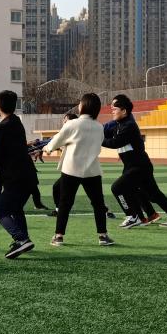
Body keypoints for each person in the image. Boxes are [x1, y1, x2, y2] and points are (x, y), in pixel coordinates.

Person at [43, 94, 116, 247]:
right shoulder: (99, 127)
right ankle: (103, 236)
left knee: (65, 203)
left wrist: (46, 148)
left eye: (80, 103)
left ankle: (59, 236)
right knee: (98, 203)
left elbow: (55, 142)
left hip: (71, 169)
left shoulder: (72, 124)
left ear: (83, 106)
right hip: (92, 169)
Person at [103, 94, 167, 229]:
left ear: (124, 111)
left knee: (117, 188)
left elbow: (115, 143)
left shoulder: (129, 126)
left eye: (115, 108)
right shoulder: (117, 125)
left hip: (139, 167)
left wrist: (99, 140)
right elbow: (104, 132)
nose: (112, 111)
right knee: (152, 195)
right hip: (132, 166)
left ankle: (132, 216)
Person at [0, 90, 38, 259]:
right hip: (29, 176)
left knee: (2, 213)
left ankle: (21, 239)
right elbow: (10, 144)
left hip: (14, 178)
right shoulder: (16, 122)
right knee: (16, 209)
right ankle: (25, 239)